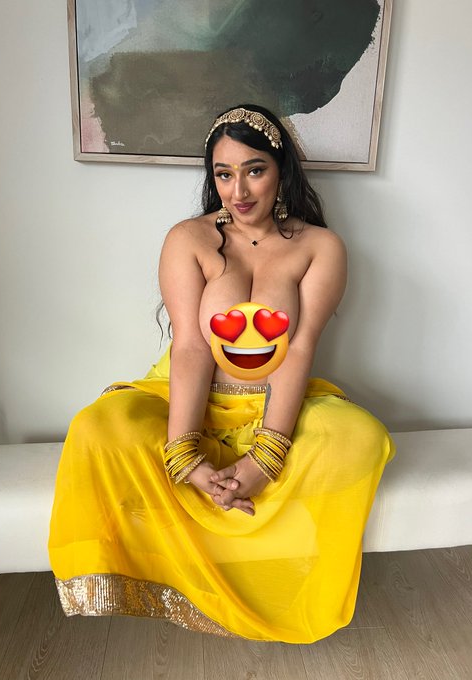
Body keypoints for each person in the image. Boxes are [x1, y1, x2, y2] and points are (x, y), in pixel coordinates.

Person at [49, 105, 395, 643]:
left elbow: (299, 349)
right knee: (98, 426)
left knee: (360, 437)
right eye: (224, 173)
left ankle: (276, 583)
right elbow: (190, 347)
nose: (239, 190)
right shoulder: (188, 239)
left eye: (255, 170)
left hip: (272, 404)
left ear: (281, 169)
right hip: (185, 397)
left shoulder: (320, 247)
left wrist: (266, 457)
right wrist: (184, 453)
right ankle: (169, 552)